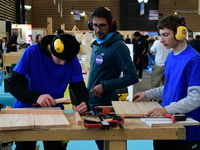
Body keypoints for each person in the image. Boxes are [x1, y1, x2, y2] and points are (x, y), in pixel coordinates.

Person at [7, 33, 89, 150]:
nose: (63, 64)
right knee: (25, 147)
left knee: (56, 147)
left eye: (66, 61)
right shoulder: (32, 52)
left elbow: (78, 86)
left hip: (55, 112)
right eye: (60, 59)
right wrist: (36, 97)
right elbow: (13, 84)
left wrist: (83, 102)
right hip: (27, 109)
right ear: (54, 48)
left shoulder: (71, 57)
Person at [133, 15, 200, 150]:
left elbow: (195, 98)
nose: (161, 40)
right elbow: (171, 87)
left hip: (186, 130)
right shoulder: (171, 56)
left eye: (165, 35)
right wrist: (147, 93)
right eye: (160, 35)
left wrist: (165, 109)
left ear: (181, 33)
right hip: (166, 124)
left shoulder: (194, 60)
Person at [87, 7, 138, 150]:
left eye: (102, 25)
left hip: (107, 106)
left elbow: (132, 76)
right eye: (95, 25)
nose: (98, 29)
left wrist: (105, 86)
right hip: (93, 104)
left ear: (111, 25)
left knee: (111, 146)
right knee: (101, 145)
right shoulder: (97, 44)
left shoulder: (118, 47)